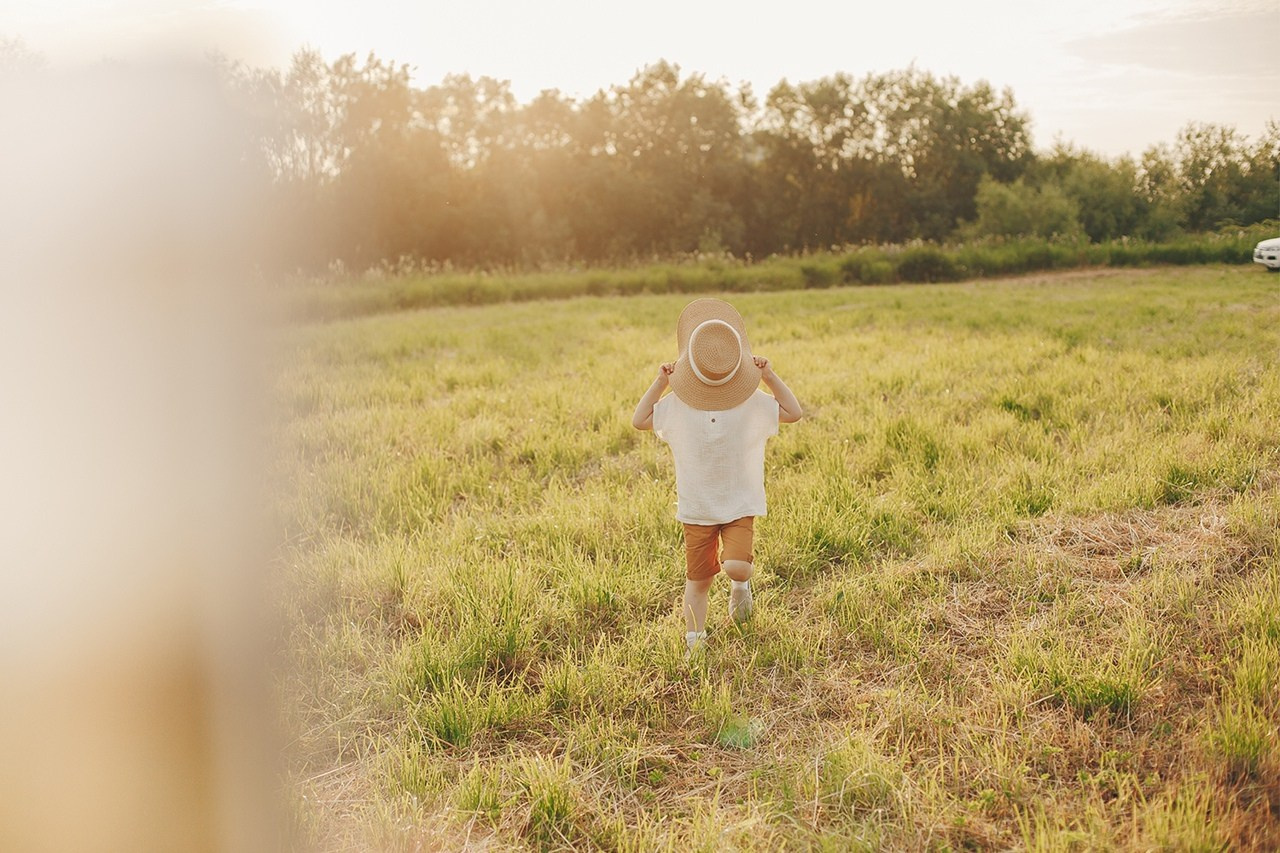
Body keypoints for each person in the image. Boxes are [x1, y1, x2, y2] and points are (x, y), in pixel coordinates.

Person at [632, 298, 802, 654]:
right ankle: (696, 642)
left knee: (738, 567)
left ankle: (741, 588)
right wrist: (660, 382)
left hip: (739, 503)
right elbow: (640, 419)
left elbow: (793, 411)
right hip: (696, 510)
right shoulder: (677, 406)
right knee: (699, 580)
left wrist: (769, 376)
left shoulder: (751, 402)